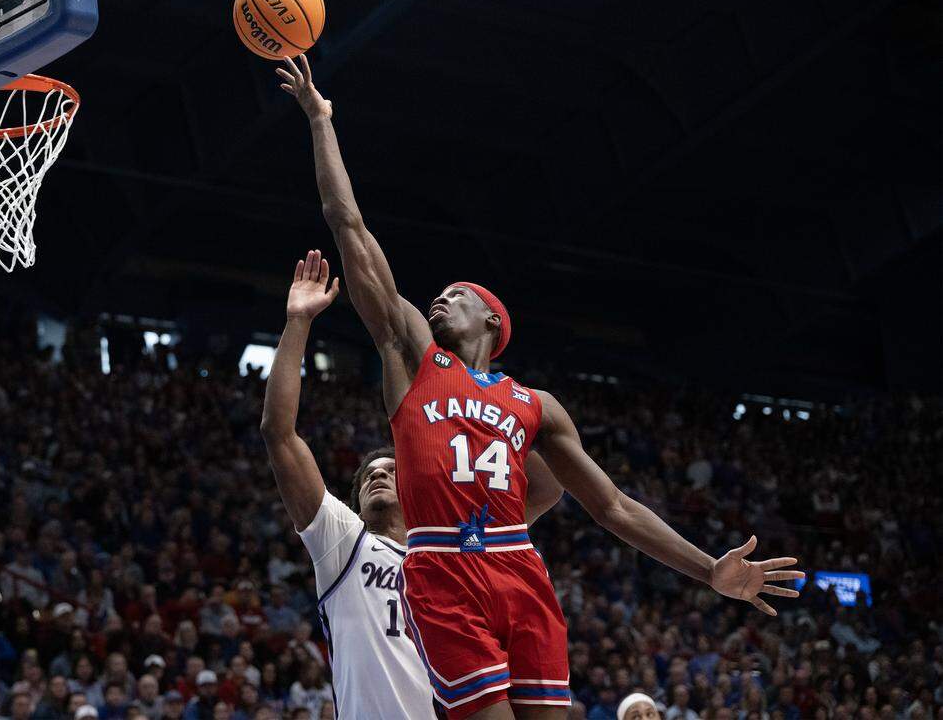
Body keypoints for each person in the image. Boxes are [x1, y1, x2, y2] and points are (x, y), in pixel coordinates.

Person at [277, 54, 805, 720]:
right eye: (438, 293)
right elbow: (348, 225)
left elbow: (611, 506)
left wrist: (709, 572)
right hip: (442, 565)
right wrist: (321, 122)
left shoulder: (536, 406)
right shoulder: (412, 355)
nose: (440, 296)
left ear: (492, 320)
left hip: (519, 566)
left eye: (458, 294)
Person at [260, 252, 563, 719]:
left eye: (391, 470)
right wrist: (298, 321)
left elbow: (549, 490)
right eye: (368, 477)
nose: (379, 474)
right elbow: (279, 435)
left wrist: (499, 429)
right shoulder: (345, 541)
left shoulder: (467, 543)